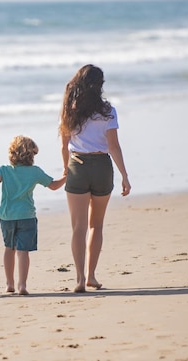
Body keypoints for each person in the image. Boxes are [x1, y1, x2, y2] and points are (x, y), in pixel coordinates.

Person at [59, 64, 131, 293]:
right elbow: (114, 146)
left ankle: (79, 279)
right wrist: (124, 175)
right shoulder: (108, 111)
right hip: (102, 167)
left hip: (77, 166)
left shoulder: (69, 110)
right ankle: (91, 276)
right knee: (96, 225)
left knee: (78, 227)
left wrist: (65, 169)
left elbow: (63, 146)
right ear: (100, 86)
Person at [0, 135, 66, 295]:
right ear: (30, 156)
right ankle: (22, 285)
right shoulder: (35, 172)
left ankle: (9, 284)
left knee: (9, 248)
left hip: (7, 217)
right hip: (27, 216)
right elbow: (54, 186)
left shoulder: (4, 171)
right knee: (23, 251)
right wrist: (66, 176)